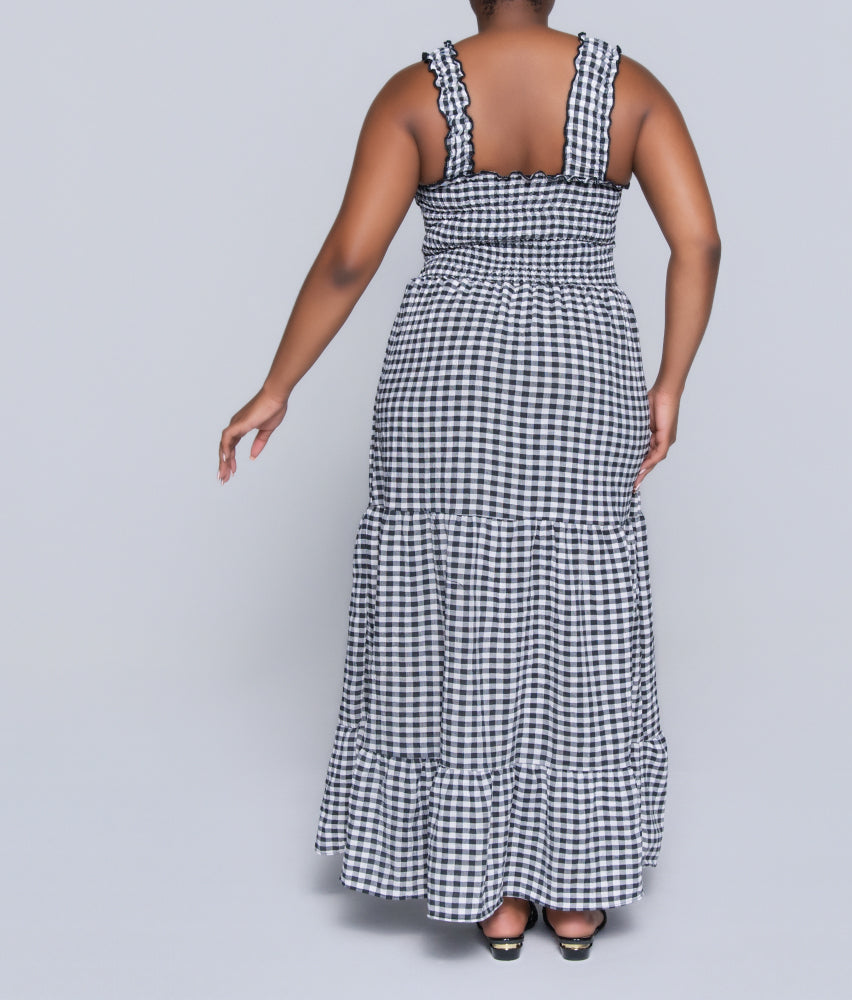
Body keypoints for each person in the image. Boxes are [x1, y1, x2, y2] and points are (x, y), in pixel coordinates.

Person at [217, 0, 720, 961]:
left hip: (449, 369)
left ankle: (489, 888)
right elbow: (699, 243)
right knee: (580, 611)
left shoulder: (416, 93)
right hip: (582, 367)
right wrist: (670, 383)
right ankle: (576, 887)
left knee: (459, 608)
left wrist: (277, 386)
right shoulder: (631, 90)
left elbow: (350, 259)